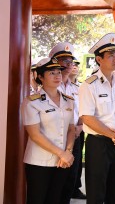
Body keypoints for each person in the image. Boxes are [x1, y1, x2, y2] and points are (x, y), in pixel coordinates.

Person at [79, 33, 115, 203]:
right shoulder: (89, 85)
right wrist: (114, 135)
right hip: (99, 144)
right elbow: (87, 117)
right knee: (96, 192)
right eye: (110, 55)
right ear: (99, 59)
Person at [21, 57, 75, 204]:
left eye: (59, 72)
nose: (57, 75)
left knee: (56, 199)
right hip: (39, 161)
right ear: (40, 76)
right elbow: (35, 135)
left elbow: (72, 129)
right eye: (52, 73)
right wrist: (62, 153)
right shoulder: (32, 102)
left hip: (62, 161)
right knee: (37, 199)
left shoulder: (69, 100)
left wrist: (68, 152)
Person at [48, 42, 86, 202]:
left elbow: (84, 111)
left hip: (75, 136)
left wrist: (80, 127)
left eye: (71, 61)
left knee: (71, 176)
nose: (69, 64)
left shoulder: (77, 88)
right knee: (55, 178)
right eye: (64, 60)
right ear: (55, 62)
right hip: (54, 138)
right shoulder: (48, 87)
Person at [68, 58, 87, 199]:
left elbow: (83, 109)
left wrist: (80, 126)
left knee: (77, 161)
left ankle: (75, 188)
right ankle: (66, 190)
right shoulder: (59, 85)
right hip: (63, 131)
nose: (74, 67)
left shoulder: (80, 87)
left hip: (78, 129)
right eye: (71, 64)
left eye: (76, 65)